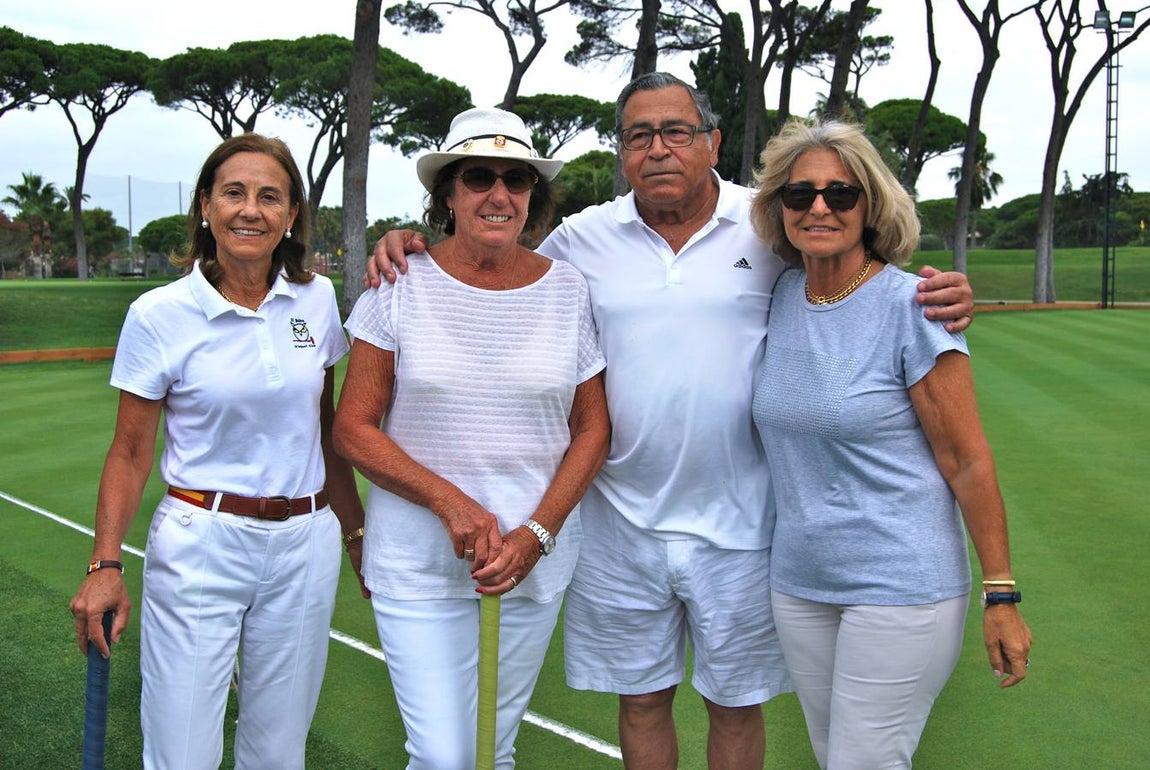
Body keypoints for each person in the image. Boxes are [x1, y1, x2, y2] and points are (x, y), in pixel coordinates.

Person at [367, 73, 975, 770]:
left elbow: (853, 262)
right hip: (619, 522)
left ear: (711, 142)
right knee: (642, 700)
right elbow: (493, 262)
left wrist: (940, 286)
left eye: (677, 131)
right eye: (639, 135)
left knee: (734, 704)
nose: (659, 148)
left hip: (745, 519)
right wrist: (405, 239)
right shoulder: (580, 240)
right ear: (623, 153)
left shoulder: (769, 224)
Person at [69, 133, 367, 770]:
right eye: (234, 193)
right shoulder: (159, 314)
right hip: (202, 537)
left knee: (280, 748)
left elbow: (326, 431)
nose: (250, 210)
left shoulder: (315, 300)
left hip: (305, 542)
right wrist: (104, 566)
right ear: (206, 205)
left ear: (291, 217)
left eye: (270, 196)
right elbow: (128, 454)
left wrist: (356, 534)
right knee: (181, 748)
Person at [748, 119, 1032, 769]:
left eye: (840, 194)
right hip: (800, 584)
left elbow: (966, 460)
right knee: (837, 757)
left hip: (902, 586)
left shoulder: (914, 308)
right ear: (780, 208)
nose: (819, 207)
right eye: (800, 195)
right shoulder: (781, 294)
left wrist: (1003, 593)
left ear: (869, 204)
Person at [333, 107, 610, 770]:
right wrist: (449, 501)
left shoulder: (569, 289)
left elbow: (592, 427)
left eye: (516, 180)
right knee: (442, 756)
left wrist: (537, 534)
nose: (499, 194)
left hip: (528, 566)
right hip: (417, 565)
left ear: (531, 198)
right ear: (448, 195)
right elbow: (352, 427)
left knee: (494, 750)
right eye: (479, 176)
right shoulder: (398, 282)